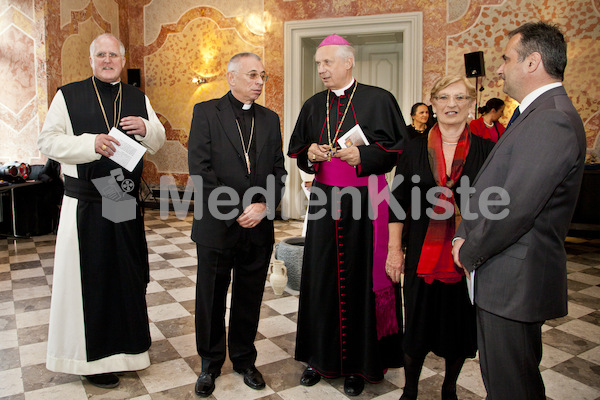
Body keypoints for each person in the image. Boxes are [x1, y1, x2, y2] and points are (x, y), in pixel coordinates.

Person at [452, 22, 586, 399]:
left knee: (513, 387)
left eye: (506, 58)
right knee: (506, 382)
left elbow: (516, 209)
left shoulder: (552, 118)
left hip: (514, 279)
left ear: (533, 62)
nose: (498, 69)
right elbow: (495, 188)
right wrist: (465, 231)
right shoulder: (533, 113)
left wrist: (468, 251)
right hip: (505, 275)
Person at [38, 33, 166, 388]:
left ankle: (128, 352)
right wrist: (90, 144)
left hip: (119, 197)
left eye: (113, 55)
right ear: (91, 60)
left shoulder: (138, 97)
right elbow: (46, 141)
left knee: (125, 276)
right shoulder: (68, 95)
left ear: (122, 60)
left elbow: (158, 138)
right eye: (101, 55)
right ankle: (91, 360)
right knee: (91, 278)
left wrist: (147, 127)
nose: (107, 60)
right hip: (85, 201)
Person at [287, 34, 406, 397]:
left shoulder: (379, 99)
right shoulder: (312, 104)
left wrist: (364, 158)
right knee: (321, 278)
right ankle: (319, 358)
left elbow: (398, 149)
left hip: (365, 203)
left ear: (348, 62)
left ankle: (359, 365)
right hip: (324, 202)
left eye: (327, 63)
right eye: (318, 64)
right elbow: (298, 151)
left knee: (359, 280)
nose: (321, 69)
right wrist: (313, 153)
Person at [386, 75, 494, 400]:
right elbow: (397, 203)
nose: (452, 104)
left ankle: (449, 386)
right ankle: (409, 390)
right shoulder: (414, 148)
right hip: (420, 253)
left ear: (471, 104)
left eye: (460, 98)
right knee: (417, 324)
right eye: (444, 98)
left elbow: (492, 205)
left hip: (465, 256)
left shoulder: (487, 150)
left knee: (459, 326)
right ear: (432, 104)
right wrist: (394, 250)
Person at [188, 52, 286, 397]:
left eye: (263, 75)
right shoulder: (206, 113)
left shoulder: (271, 119)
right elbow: (200, 170)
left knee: (249, 295)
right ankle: (210, 364)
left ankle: (244, 359)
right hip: (217, 224)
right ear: (231, 78)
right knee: (211, 297)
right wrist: (236, 210)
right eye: (252, 75)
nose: (259, 82)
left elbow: (279, 170)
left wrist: (263, 205)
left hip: (257, 226)